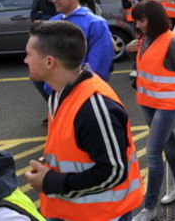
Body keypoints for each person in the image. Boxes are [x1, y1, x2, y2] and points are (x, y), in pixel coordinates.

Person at [23, 21, 142, 221]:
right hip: (74, 211)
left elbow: (114, 172)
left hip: (102, 215)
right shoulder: (58, 92)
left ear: (49, 62)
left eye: (29, 54)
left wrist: (52, 182)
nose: (25, 60)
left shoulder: (94, 107)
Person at [125, 0, 175, 221]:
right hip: (147, 102)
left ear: (153, 20)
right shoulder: (144, 39)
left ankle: (150, 206)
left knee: (153, 153)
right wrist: (130, 52)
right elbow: (144, 68)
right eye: (136, 20)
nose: (138, 24)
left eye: (142, 20)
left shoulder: (172, 42)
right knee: (169, 143)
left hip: (167, 105)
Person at [50, 0, 114, 82]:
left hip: (82, 88)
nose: (53, 1)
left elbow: (99, 62)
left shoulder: (95, 23)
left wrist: (82, 86)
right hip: (56, 89)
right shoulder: (52, 22)